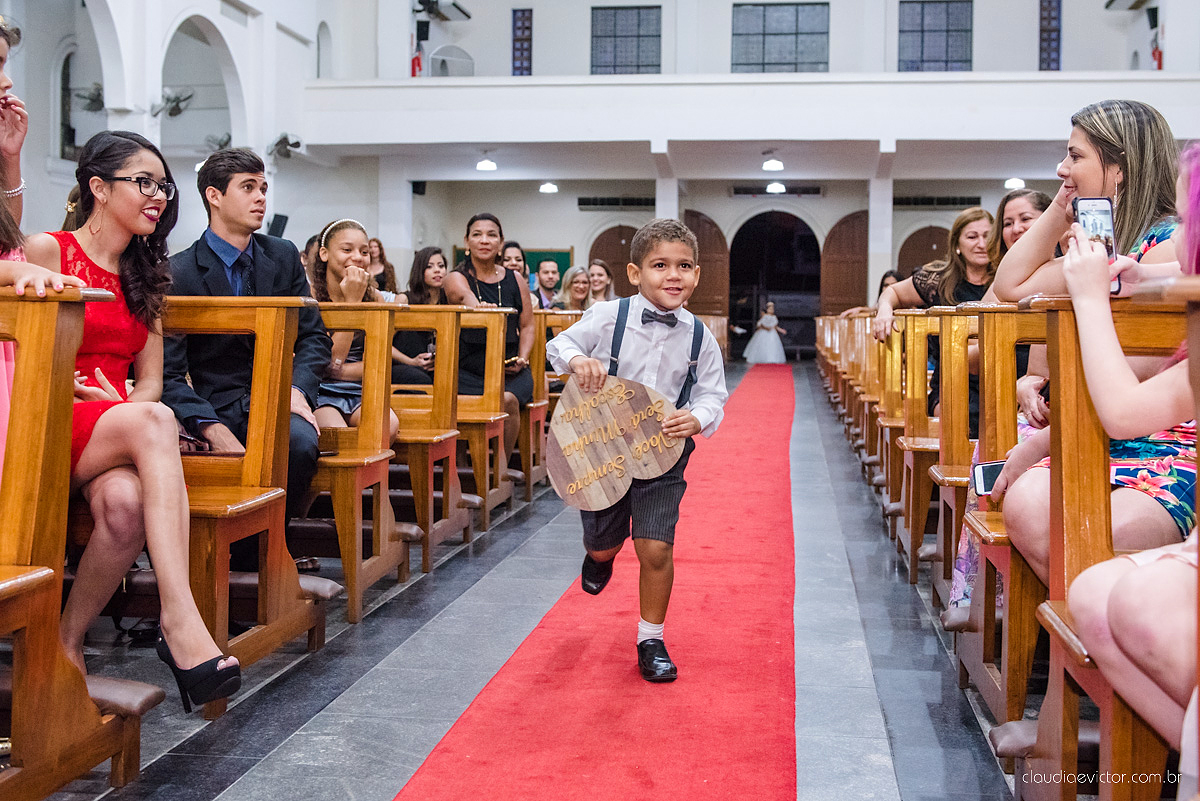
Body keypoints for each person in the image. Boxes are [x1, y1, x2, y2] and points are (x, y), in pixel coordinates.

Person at [25, 130, 241, 711]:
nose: (159, 197)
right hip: (48, 421)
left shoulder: (145, 274)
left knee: (123, 510)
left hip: (112, 423)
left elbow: (149, 376)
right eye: (143, 183)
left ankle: (65, 645)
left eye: (163, 186)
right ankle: (180, 617)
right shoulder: (51, 250)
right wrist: (56, 372)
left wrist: (119, 401)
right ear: (98, 187)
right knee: (154, 421)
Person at [990, 99, 1184, 585]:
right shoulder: (1105, 247)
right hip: (1096, 432)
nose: (1061, 168)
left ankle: (1102, 633)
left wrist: (1036, 447)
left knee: (1081, 528)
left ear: (1117, 167)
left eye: (1075, 157)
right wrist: (1060, 205)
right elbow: (1012, 283)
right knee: (1028, 508)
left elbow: (1134, 386)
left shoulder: (1169, 244)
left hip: (1161, 440)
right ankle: (1091, 629)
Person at [546, 218, 728, 682]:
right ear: (634, 272)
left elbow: (712, 394)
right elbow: (560, 343)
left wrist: (699, 417)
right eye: (660, 265)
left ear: (697, 275)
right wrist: (578, 359)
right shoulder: (609, 316)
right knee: (605, 543)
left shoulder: (699, 336)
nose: (673, 275)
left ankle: (651, 638)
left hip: (664, 450)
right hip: (602, 447)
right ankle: (598, 553)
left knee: (655, 546)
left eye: (684, 266)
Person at [1063, 142, 1200, 761]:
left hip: (1166, 449)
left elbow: (1121, 411)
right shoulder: (1148, 253)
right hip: (1129, 431)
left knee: (1138, 599)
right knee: (1091, 594)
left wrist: (1090, 298)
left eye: (1076, 156)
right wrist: (1152, 276)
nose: (1064, 171)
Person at [161, 147, 331, 573]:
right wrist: (209, 425)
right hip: (215, 402)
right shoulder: (178, 272)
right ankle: (240, 558)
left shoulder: (282, 254)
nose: (261, 198)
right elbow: (167, 371)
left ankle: (263, 551)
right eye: (248, 187)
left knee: (300, 443)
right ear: (214, 196)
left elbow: (313, 338)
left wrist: (296, 390)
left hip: (276, 396)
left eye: (264, 188)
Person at [873, 207, 994, 437]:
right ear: (957, 244)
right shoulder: (938, 279)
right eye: (972, 237)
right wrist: (885, 311)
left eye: (988, 236)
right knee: (956, 423)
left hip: (1002, 380)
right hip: (953, 382)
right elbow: (893, 293)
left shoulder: (1006, 277)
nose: (981, 244)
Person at [443, 213, 535, 461]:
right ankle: (463, 469)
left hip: (510, 367)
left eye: (491, 235)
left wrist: (523, 358)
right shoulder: (456, 277)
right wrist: (479, 307)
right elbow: (462, 296)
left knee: (507, 400)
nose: (484, 240)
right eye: (477, 234)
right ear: (466, 242)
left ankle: (499, 467)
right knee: (454, 401)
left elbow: (527, 326)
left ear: (500, 243)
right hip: (468, 368)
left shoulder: (515, 279)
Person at [310, 219, 400, 440]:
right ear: (324, 253)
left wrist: (339, 370)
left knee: (387, 426)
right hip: (319, 391)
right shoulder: (310, 297)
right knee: (338, 435)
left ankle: (374, 476)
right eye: (347, 250)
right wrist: (352, 302)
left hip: (360, 389)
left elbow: (380, 360)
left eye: (364, 251)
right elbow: (326, 361)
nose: (358, 258)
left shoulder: (375, 298)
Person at [392, 245, 446, 385]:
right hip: (403, 363)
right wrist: (412, 361)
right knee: (421, 379)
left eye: (441, 265)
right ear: (420, 271)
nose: (437, 270)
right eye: (430, 266)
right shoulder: (405, 300)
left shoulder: (448, 301)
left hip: (434, 365)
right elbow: (383, 343)